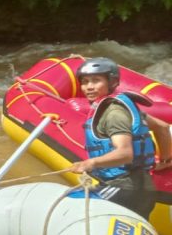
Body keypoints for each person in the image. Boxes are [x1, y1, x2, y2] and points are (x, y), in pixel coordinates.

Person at [69, 57, 172, 219]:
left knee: (69, 208)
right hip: (143, 188)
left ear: (112, 81)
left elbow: (125, 153)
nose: (89, 87)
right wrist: (166, 160)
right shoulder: (124, 104)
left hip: (122, 188)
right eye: (85, 81)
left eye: (96, 81)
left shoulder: (114, 114)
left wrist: (90, 162)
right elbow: (163, 127)